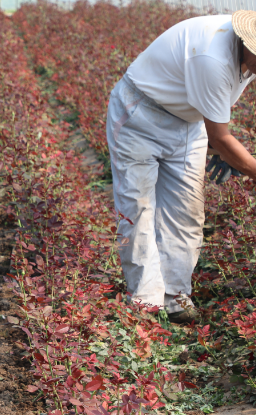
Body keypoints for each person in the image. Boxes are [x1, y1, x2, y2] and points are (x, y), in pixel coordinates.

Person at [107, 10, 256, 324]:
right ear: (248, 45)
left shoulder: (246, 56)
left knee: (187, 214)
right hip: (140, 114)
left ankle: (175, 297)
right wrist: (228, 149)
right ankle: (147, 305)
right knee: (139, 210)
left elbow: (216, 127)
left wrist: (222, 148)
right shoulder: (213, 57)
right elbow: (219, 132)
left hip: (187, 123)